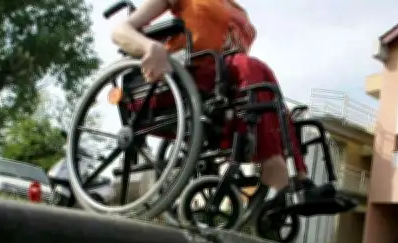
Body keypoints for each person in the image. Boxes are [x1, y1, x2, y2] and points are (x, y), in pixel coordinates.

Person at [111, 0, 331, 204]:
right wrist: (150, 47)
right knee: (253, 67)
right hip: (182, 78)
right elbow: (121, 31)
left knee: (266, 89)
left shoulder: (239, 10)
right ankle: (274, 166)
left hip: (225, 87)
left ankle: (300, 179)